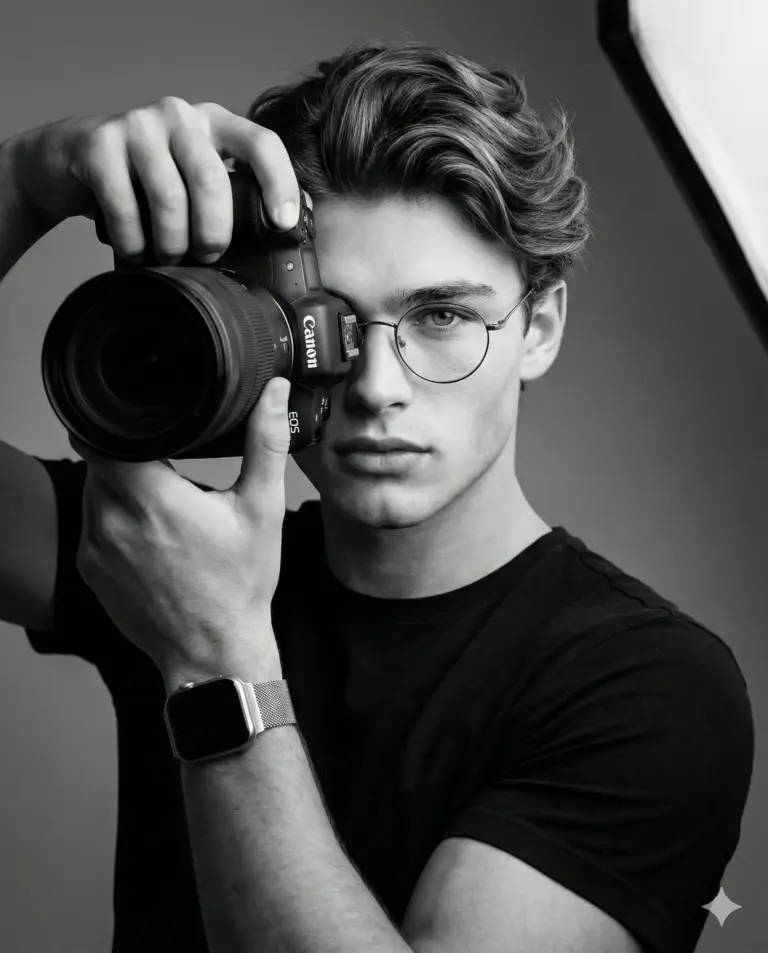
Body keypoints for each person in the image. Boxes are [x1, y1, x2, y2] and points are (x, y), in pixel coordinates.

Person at [0, 40, 754, 953]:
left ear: (539, 329)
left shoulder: (654, 686)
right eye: (329, 323)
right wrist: (30, 178)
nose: (376, 386)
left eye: (442, 317)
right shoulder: (170, 560)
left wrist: (215, 661)